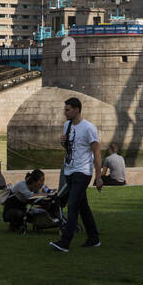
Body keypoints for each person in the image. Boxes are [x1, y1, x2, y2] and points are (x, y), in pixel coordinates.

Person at [49, 97, 101, 253]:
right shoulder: (67, 125)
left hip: (83, 171)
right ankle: (94, 239)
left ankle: (65, 243)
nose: (65, 113)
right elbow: (69, 147)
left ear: (77, 109)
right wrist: (63, 142)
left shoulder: (89, 128)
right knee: (82, 206)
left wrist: (98, 177)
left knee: (72, 205)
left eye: (67, 110)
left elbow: (97, 152)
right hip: (69, 170)